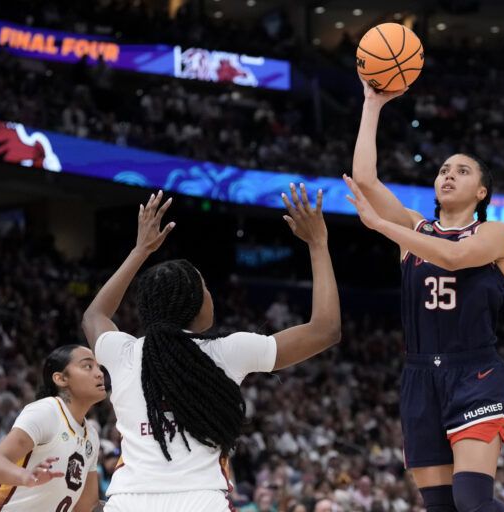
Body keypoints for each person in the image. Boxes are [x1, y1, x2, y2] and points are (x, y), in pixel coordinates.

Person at [82, 187, 341, 512]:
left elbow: (95, 315)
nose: (210, 294)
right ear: (193, 303)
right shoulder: (227, 352)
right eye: (204, 287)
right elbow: (326, 330)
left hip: (127, 502)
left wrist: (140, 252)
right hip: (201, 501)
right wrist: (318, 243)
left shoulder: (123, 353)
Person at [345, 80, 504, 512]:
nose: (448, 175)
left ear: (481, 193)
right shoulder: (415, 229)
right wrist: (372, 104)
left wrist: (384, 227)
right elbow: (365, 180)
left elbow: (456, 258)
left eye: (462, 171)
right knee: (441, 508)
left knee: (473, 501)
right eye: (443, 169)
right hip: (420, 376)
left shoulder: (494, 233)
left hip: (474, 374)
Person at [0, 345, 106, 512]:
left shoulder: (92, 436)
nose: (99, 373)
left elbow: (86, 507)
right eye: (88, 366)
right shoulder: (47, 411)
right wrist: (26, 477)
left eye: (99, 367)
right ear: (60, 379)